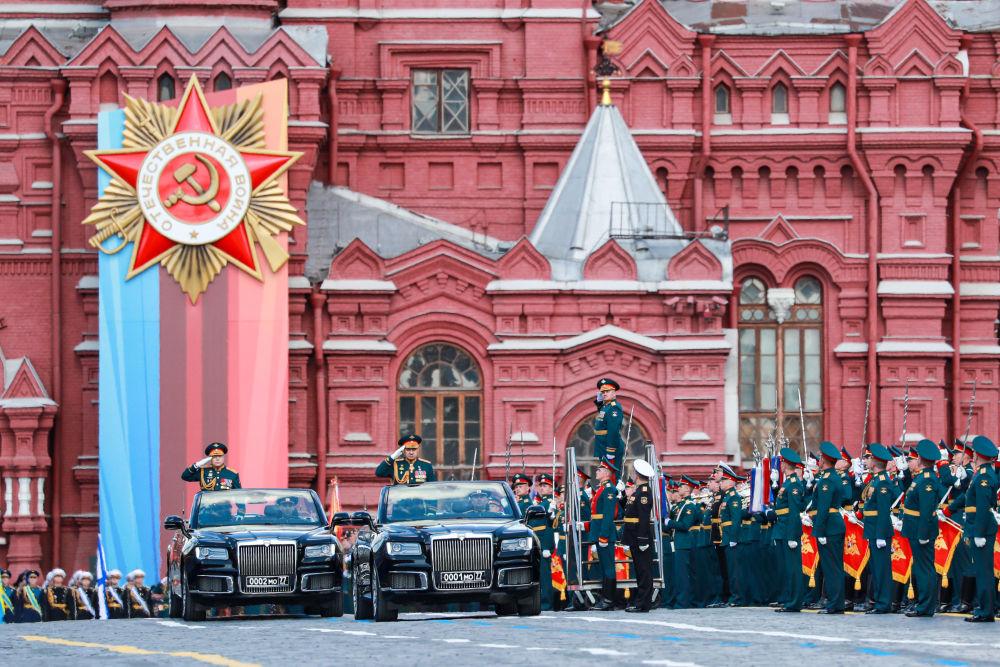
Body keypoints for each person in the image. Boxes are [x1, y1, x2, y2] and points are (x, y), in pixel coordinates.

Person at [945, 435, 999, 623]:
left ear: (980, 456)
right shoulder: (980, 474)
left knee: (983, 571)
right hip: (977, 525)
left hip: (981, 528)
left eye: (975, 453)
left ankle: (985, 610)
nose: (973, 455)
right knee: (981, 569)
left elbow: (983, 507)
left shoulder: (984, 477)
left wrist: (979, 532)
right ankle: (985, 608)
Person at [899, 439, 942, 617]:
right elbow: (909, 494)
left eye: (915, 458)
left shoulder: (927, 481)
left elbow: (925, 510)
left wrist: (923, 533)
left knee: (925, 568)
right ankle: (924, 603)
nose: (913, 461)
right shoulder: (921, 478)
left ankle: (925, 606)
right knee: (921, 567)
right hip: (915, 528)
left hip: (920, 529)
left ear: (921, 460)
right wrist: (904, 473)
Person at [812, 441, 847, 614]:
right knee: (833, 566)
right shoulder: (831, 476)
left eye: (820, 457)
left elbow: (824, 507)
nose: (818, 459)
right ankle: (835, 602)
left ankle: (835, 603)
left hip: (830, 527)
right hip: (833, 524)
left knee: (832, 567)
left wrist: (819, 531)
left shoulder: (828, 479)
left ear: (824, 459)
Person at [771, 447, 806, 613]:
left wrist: (792, 535)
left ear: (786, 464)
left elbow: (794, 511)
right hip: (782, 527)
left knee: (793, 568)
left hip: (788, 530)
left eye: (782, 462)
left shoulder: (793, 484)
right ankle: (789, 600)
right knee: (786, 568)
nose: (781, 465)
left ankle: (795, 602)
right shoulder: (786, 483)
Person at [861, 443, 895, 614]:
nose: (866, 461)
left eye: (869, 458)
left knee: (882, 569)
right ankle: (880, 600)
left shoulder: (882, 482)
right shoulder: (875, 479)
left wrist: (881, 534)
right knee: (876, 568)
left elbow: (882, 510)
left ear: (875, 461)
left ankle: (884, 603)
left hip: (879, 530)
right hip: (873, 529)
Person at [622, 458, 656, 613]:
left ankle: (643, 603)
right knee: (639, 569)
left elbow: (643, 517)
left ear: (637, 474)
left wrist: (642, 539)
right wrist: (622, 494)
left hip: (639, 536)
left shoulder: (644, 492)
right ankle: (641, 601)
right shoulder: (637, 491)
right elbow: (629, 510)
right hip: (633, 535)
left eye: (634, 473)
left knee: (644, 571)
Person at [588, 458, 620, 611]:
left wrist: (604, 536)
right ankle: (605, 597)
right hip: (599, 530)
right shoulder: (602, 488)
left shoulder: (609, 489)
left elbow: (608, 515)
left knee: (608, 567)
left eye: (599, 470)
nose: (597, 471)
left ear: (607, 473)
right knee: (604, 567)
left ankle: (608, 599)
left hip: (604, 533)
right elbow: (597, 514)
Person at [665, 475, 698, 609]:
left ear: (687, 489)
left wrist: (670, 522)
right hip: (678, 542)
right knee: (677, 574)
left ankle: (683, 602)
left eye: (681, 486)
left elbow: (685, 525)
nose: (678, 489)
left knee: (683, 575)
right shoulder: (681, 505)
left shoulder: (689, 506)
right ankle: (677, 600)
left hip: (684, 543)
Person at [593, 378, 625, 468]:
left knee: (612, 475)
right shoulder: (606, 406)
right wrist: (599, 402)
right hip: (602, 444)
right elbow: (602, 414)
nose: (604, 394)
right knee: (604, 473)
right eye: (603, 392)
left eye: (607, 391)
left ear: (614, 393)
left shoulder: (614, 408)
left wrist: (611, 450)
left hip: (609, 446)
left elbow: (613, 430)